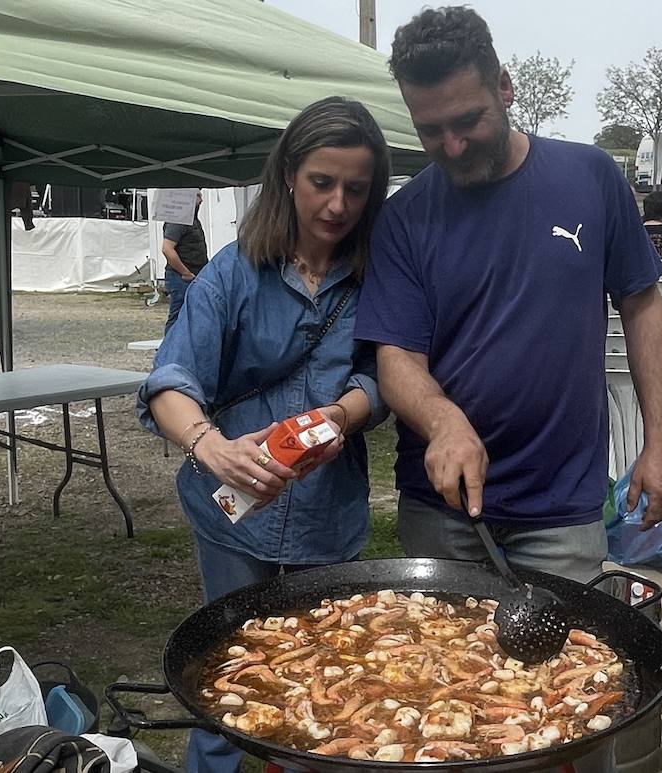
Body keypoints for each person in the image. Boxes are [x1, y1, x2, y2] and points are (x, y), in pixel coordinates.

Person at [356, 5, 662, 587]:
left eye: (468, 120)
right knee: (439, 675)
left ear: (504, 87)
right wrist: (443, 420)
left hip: (561, 506)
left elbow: (642, 305)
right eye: (430, 129)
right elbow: (396, 357)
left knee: (563, 673)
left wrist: (660, 446)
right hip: (442, 506)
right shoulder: (404, 218)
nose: (452, 146)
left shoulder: (590, 176)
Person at [136, 96, 390, 773]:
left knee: (329, 685)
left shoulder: (378, 275)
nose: (338, 203)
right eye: (322, 182)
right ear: (288, 177)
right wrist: (209, 445)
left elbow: (383, 374)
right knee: (231, 674)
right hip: (234, 517)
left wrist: (344, 413)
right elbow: (170, 379)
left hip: (325, 515)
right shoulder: (233, 270)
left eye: (356, 189)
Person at [161, 192, 209, 333]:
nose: (201, 200)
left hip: (194, 275)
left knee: (194, 317)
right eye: (198, 196)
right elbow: (167, 249)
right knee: (177, 317)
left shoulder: (192, 220)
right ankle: (169, 351)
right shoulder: (178, 220)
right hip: (181, 278)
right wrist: (185, 272)